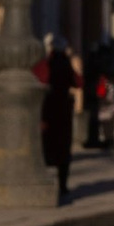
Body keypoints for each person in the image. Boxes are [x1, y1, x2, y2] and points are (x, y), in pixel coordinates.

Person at [37, 35, 77, 199]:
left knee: (44, 148)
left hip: (48, 110)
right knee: (63, 149)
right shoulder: (67, 64)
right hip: (64, 112)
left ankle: (42, 182)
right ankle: (63, 185)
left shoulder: (45, 63)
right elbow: (78, 82)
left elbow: (38, 80)